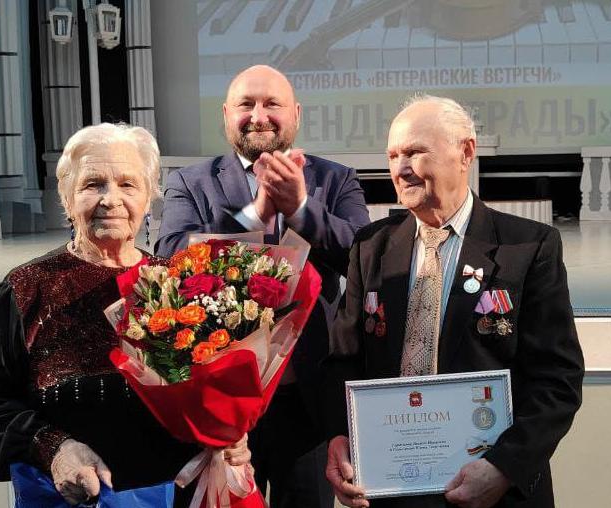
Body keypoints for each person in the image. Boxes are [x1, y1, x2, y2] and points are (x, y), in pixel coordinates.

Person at [0, 123, 250, 506]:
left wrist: (230, 437)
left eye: (128, 185)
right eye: (93, 184)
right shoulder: (29, 287)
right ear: (66, 196)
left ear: (149, 198)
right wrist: (55, 449)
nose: (111, 199)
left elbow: (213, 397)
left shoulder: (180, 286)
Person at [323, 96, 584, 508]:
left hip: (491, 492)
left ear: (465, 153)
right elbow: (344, 358)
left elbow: (557, 379)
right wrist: (340, 435)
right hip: (390, 490)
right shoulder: (370, 246)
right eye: (393, 155)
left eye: (414, 152)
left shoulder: (528, 247)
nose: (400, 168)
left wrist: (503, 467)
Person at [155, 65, 371, 508]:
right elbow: (172, 257)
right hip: (216, 406)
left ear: (295, 114)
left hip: (305, 401)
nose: (259, 115)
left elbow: (362, 255)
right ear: (225, 114)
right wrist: (255, 213)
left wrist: (300, 210)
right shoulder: (189, 183)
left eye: (272, 104)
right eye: (246, 104)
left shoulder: (335, 180)